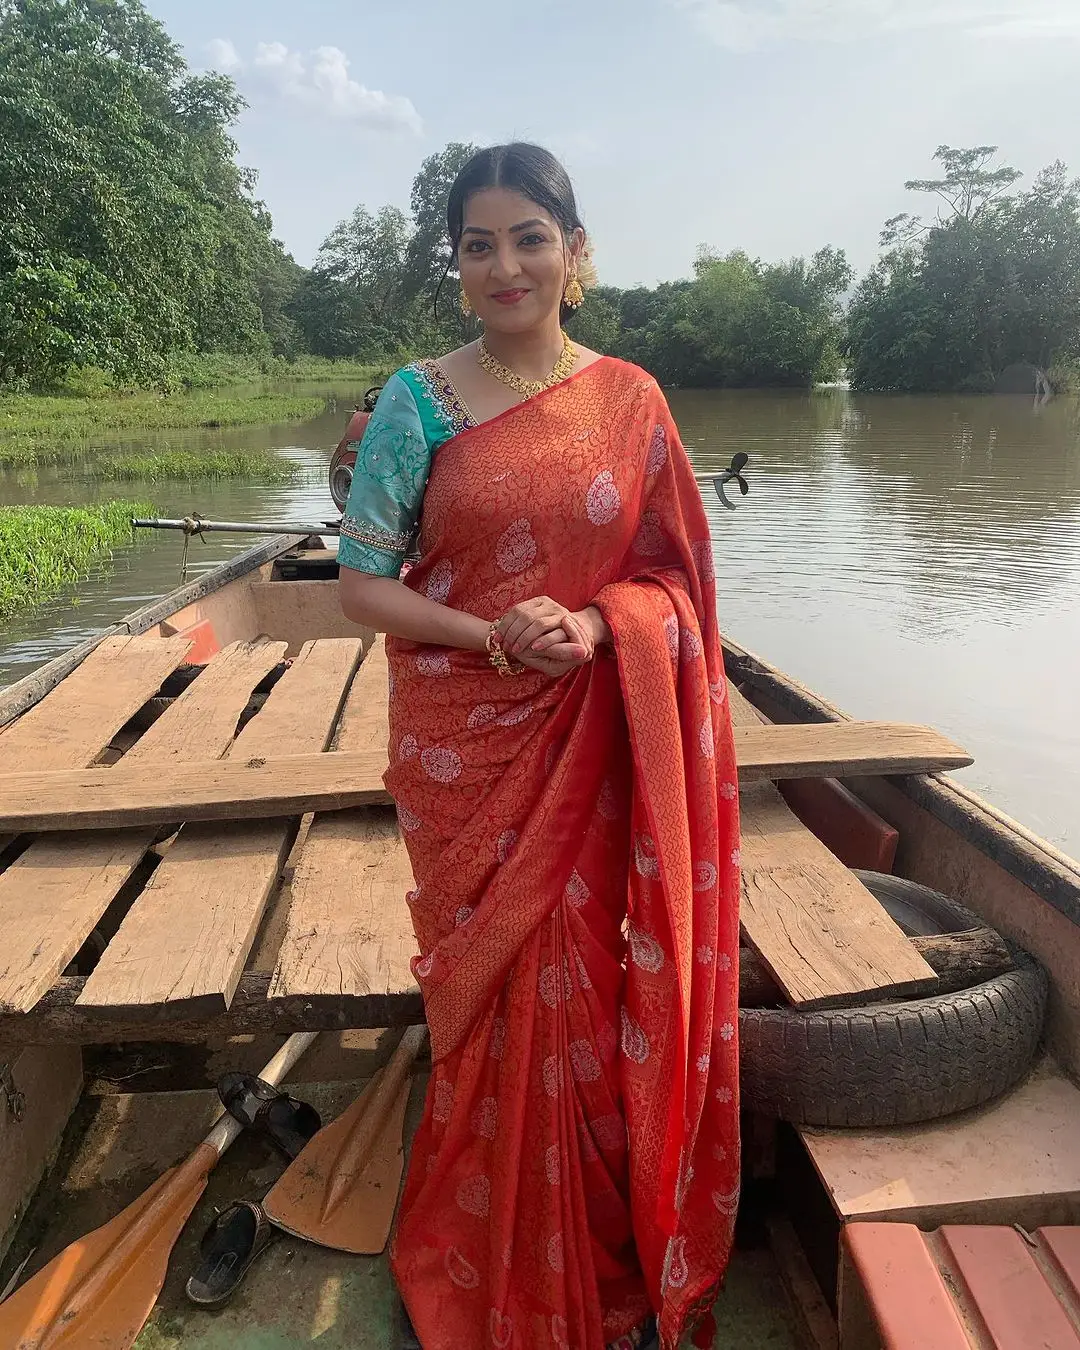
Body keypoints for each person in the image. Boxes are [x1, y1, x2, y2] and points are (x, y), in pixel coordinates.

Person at [338, 143, 741, 1350]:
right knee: (498, 988)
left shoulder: (632, 401)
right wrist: (498, 639)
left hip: (598, 730)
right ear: (455, 266)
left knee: (591, 975)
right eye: (477, 243)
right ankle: (492, 1246)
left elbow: (675, 577)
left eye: (529, 236)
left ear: (576, 253)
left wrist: (602, 623)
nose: (504, 263)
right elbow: (363, 585)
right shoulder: (415, 404)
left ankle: (598, 1244)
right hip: (470, 747)